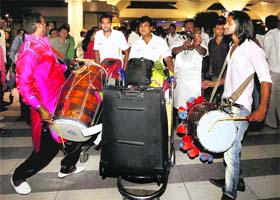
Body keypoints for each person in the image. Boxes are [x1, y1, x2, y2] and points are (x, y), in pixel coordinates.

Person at [10, 13, 85, 195]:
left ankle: (67, 167)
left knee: (75, 134)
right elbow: (24, 86)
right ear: (38, 25)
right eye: (45, 23)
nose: (48, 25)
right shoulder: (28, 51)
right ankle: (18, 176)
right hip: (46, 105)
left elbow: (51, 66)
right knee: (47, 150)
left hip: (59, 97)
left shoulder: (42, 43)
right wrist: (40, 108)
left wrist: (69, 68)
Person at [207, 11, 272, 200]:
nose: (225, 26)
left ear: (240, 25)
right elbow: (236, 76)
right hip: (228, 103)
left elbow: (266, 80)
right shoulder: (232, 46)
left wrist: (262, 109)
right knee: (229, 145)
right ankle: (237, 179)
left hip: (241, 106)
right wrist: (215, 83)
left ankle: (230, 193)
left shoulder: (252, 49)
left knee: (231, 150)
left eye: (229, 23)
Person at [171, 18, 207, 121]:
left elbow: (204, 52)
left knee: (194, 107)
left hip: (194, 81)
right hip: (181, 80)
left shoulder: (201, 40)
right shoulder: (179, 39)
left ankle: (192, 128)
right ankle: (181, 127)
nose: (188, 29)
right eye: (186, 27)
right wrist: (182, 47)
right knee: (180, 106)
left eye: (190, 27)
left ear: (195, 28)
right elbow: (173, 51)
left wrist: (196, 45)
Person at [202, 17, 230, 103]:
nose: (220, 31)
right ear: (214, 29)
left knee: (226, 94)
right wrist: (210, 68)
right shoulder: (211, 42)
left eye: (222, 29)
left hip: (226, 72)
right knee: (214, 93)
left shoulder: (228, 42)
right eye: (218, 29)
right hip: (215, 72)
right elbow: (211, 56)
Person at [263, 15, 280, 129]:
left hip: (273, 69)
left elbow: (266, 54)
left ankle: (271, 121)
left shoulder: (268, 36)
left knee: (271, 96)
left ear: (267, 24)